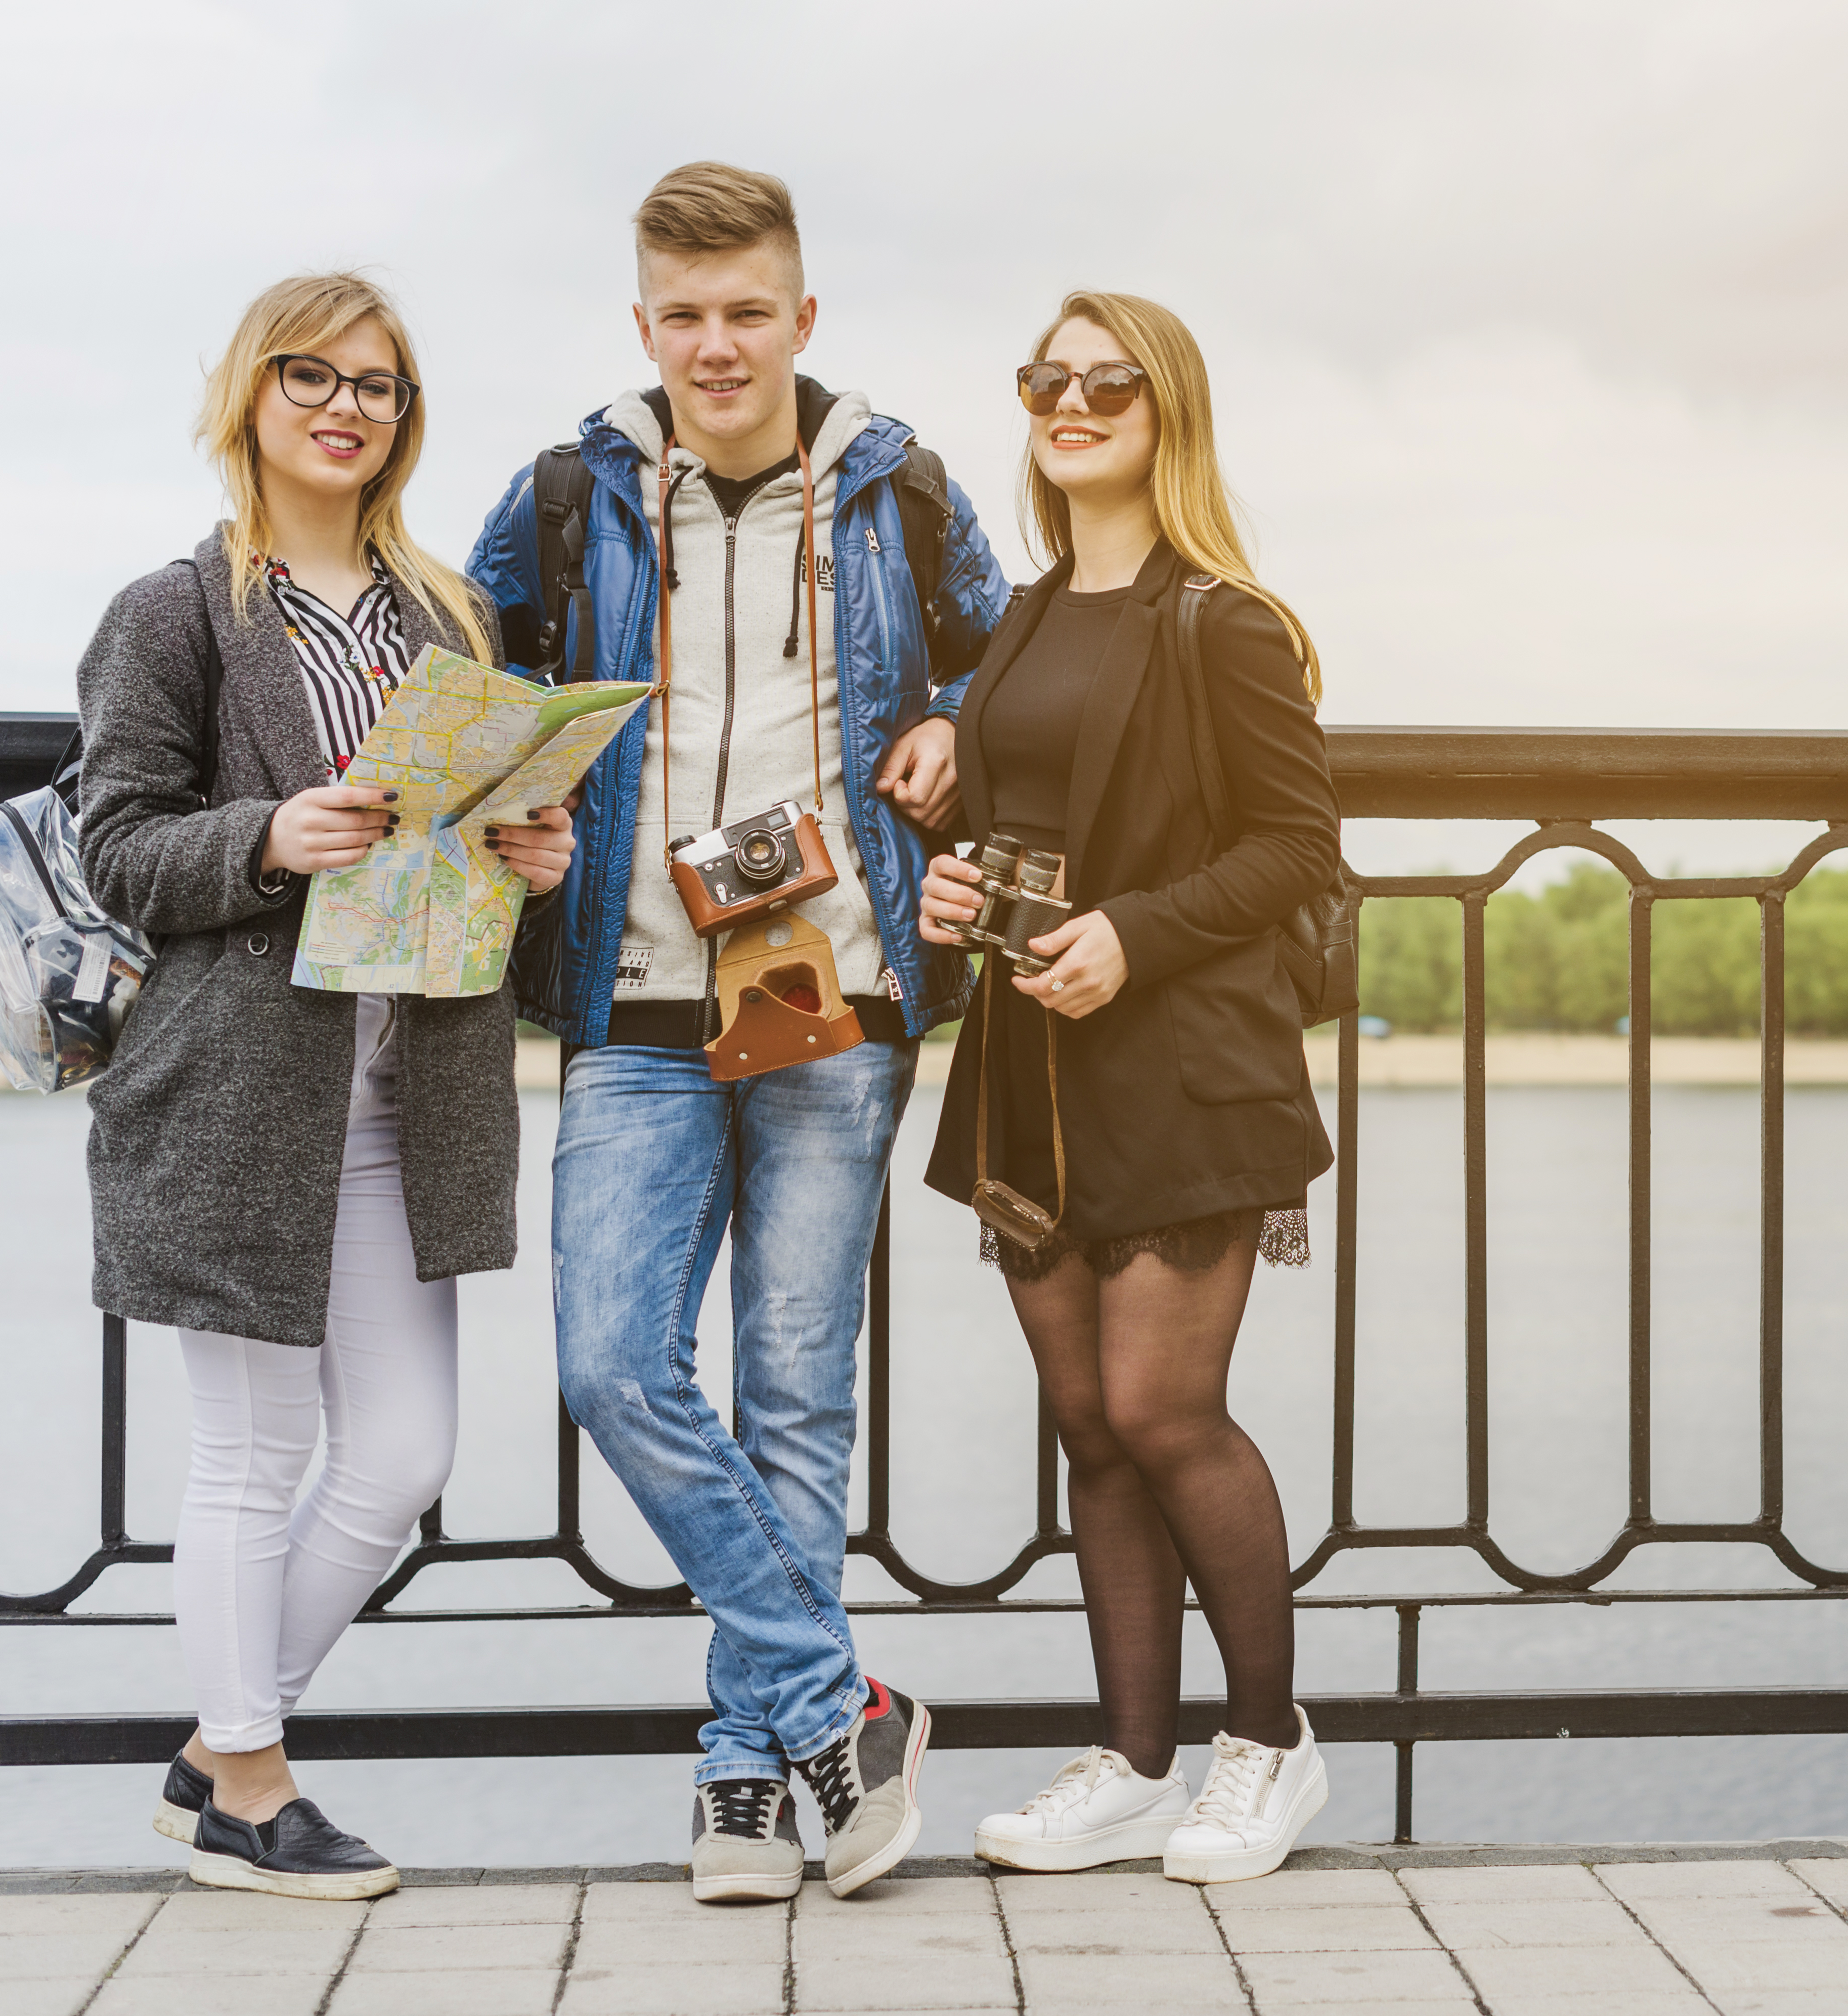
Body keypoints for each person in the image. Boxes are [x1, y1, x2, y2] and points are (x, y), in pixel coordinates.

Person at [467, 162, 1011, 1904]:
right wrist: (512, 820)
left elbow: (1014, 674)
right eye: (684, 316)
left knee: (794, 1399)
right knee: (614, 1364)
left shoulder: (901, 488)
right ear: (645, 325)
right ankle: (831, 1698)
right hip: (628, 1001)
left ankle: (747, 1775)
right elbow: (468, 693)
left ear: (802, 316)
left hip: (836, 998)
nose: (717, 345)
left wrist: (960, 746)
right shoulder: (565, 494)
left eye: (747, 311)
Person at [77, 273, 574, 1899]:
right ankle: (253, 1785)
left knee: (403, 1457)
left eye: (378, 384)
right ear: (251, 396)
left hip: (405, 1091)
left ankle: (223, 1740)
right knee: (250, 1451)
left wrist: (531, 853)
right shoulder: (178, 611)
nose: (346, 406)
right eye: (312, 376)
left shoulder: (446, 617)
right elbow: (118, 842)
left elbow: (464, 828)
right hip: (238, 1098)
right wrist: (266, 838)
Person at [918, 291, 1340, 1884]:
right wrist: (953, 888)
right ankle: (1137, 1761)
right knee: (1091, 1421)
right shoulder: (1023, 617)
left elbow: (1299, 851)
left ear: (1167, 411)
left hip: (1178, 1064)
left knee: (1167, 1410)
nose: (1071, 402)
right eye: (1048, 379)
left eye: (1107, 382)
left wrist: (1132, 935)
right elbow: (1020, 817)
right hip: (1034, 1065)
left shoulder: (1224, 618)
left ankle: (1269, 1742)